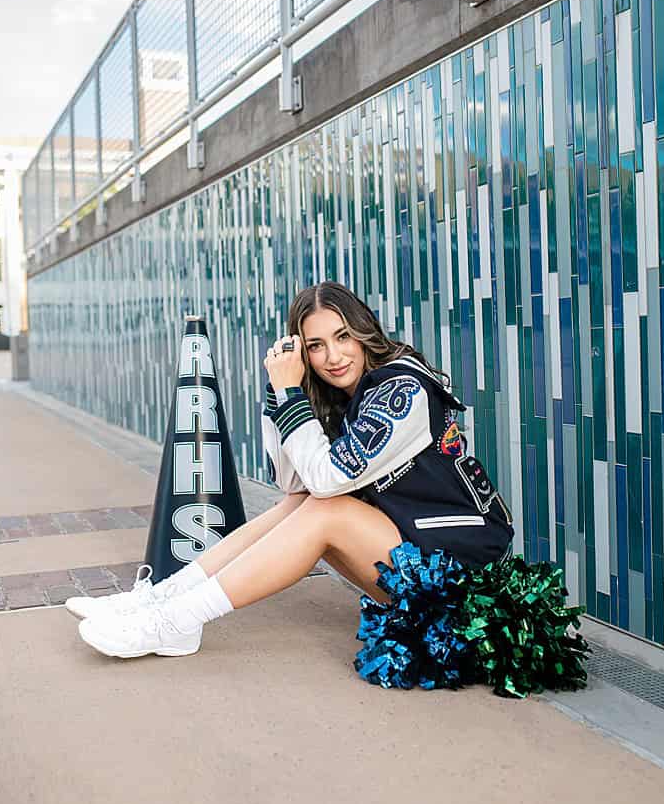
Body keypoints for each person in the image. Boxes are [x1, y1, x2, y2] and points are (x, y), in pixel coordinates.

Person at [70, 281, 513, 659]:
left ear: (364, 333)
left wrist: (289, 392)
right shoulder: (345, 393)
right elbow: (297, 483)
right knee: (301, 505)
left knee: (325, 512)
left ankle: (173, 622)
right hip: (419, 554)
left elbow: (325, 481)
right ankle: (160, 600)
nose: (333, 356)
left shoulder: (402, 389)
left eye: (343, 337)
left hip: (465, 581)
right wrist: (282, 393)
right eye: (316, 346)